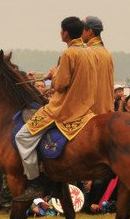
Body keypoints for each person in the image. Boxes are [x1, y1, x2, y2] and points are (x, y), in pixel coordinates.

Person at [14, 16, 95, 201]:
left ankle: (35, 181)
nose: (60, 33)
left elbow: (60, 84)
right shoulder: (89, 51)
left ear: (65, 33)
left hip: (63, 107)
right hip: (85, 106)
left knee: (22, 136)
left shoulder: (69, 53)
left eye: (61, 30)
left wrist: (53, 74)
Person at [82, 16, 115, 117]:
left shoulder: (87, 52)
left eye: (81, 29)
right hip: (106, 108)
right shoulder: (106, 52)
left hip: (90, 111)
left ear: (90, 31)